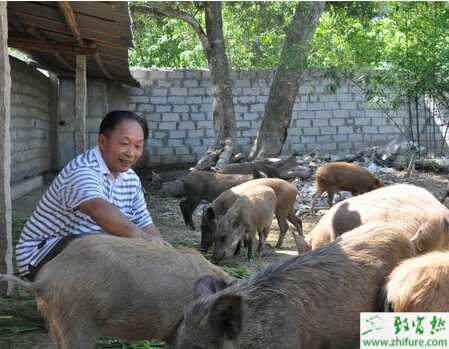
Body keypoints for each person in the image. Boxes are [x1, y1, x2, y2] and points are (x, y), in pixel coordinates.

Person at [15, 110, 168, 280]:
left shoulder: (130, 178)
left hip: (94, 249)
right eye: (124, 143)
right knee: (113, 258)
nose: (131, 153)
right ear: (102, 141)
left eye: (138, 146)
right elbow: (97, 208)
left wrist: (162, 252)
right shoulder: (83, 170)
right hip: (42, 254)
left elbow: (144, 221)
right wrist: (142, 238)